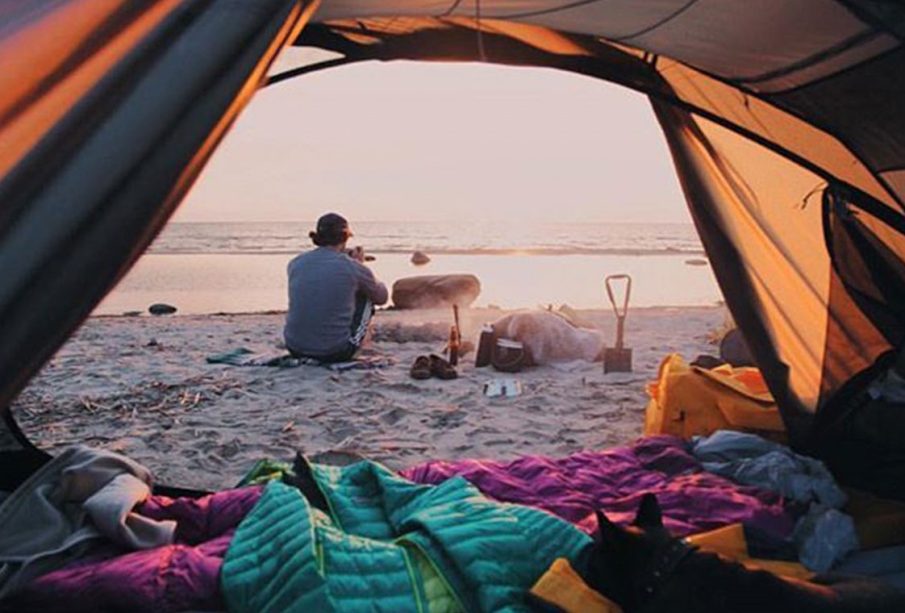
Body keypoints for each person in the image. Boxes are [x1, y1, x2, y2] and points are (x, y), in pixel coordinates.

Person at [284, 213, 388, 362]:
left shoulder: (296, 263)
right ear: (344, 238)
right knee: (367, 296)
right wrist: (360, 265)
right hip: (334, 352)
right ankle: (361, 342)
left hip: (295, 348)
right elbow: (382, 297)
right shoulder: (352, 267)